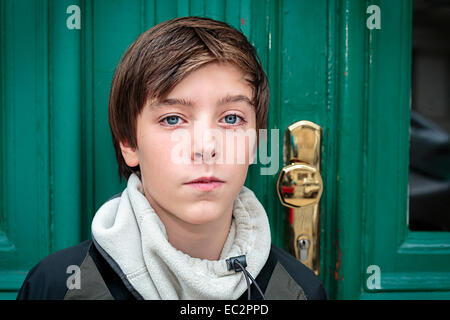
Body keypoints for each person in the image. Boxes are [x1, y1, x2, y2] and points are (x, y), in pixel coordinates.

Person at [17, 16, 327, 300]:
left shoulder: (299, 291)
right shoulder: (57, 286)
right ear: (129, 143)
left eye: (231, 119)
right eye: (173, 119)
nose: (206, 146)